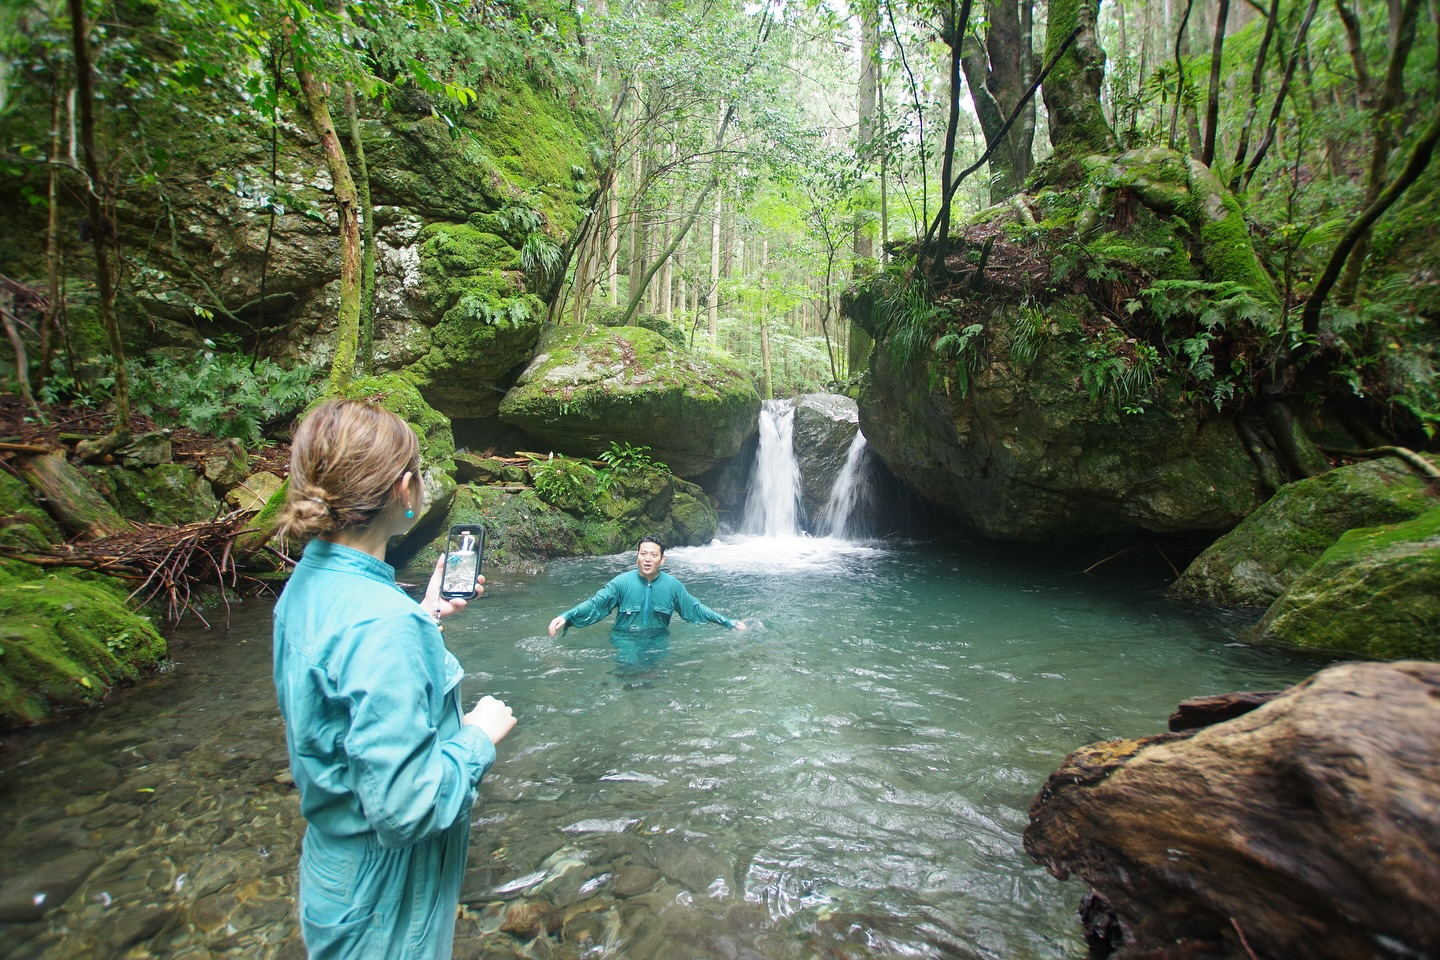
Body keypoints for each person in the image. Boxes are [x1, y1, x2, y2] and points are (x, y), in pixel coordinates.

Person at [271, 398, 516, 960]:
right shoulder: (384, 623)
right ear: (405, 491)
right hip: (385, 904)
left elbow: (341, 689)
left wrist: (423, 612)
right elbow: (407, 809)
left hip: (334, 878)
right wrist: (479, 736)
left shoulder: (310, 584)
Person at [547, 535, 748, 640]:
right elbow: (595, 604)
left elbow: (695, 609)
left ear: (662, 559)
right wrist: (566, 616)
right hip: (624, 640)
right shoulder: (621, 582)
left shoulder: (672, 586)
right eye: (643, 554)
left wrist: (728, 622)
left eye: (653, 555)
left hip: (658, 641)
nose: (647, 559)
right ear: (637, 556)